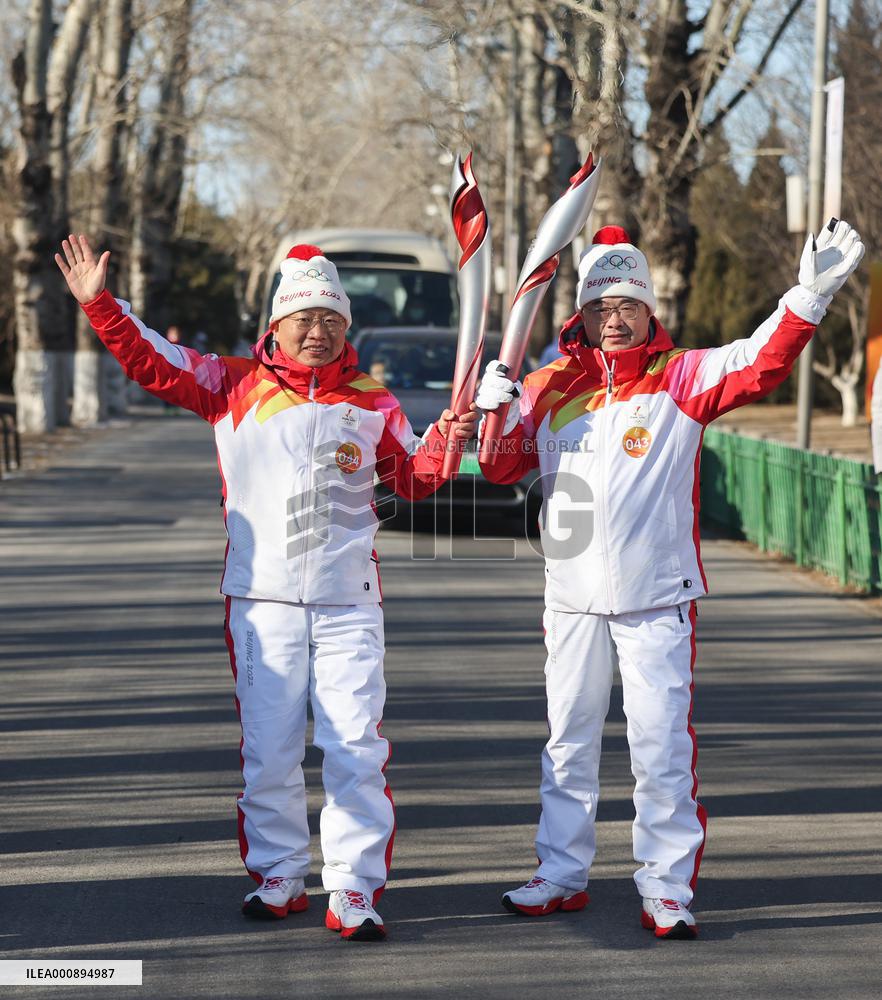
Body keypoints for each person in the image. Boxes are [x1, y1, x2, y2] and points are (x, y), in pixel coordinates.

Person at [55, 235, 477, 943]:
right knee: (271, 748)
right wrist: (101, 306)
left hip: (349, 603)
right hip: (262, 601)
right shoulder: (231, 383)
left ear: (348, 328)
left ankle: (353, 888)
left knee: (354, 746)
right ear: (276, 325)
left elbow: (415, 476)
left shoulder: (372, 399)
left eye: (332, 322)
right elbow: (153, 362)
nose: (319, 333)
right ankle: (280, 875)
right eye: (304, 320)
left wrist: (455, 435)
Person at [475, 221, 864, 939]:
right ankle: (559, 873)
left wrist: (806, 298)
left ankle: (666, 886)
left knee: (659, 747)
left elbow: (759, 365)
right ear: (581, 316)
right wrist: (492, 407)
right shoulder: (549, 384)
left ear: (649, 310)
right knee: (568, 741)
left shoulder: (680, 376)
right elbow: (500, 467)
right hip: (572, 599)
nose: (613, 320)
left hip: (657, 597)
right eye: (599, 308)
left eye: (626, 306)